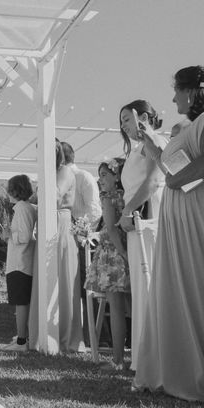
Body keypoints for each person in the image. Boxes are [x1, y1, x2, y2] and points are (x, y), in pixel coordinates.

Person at [133, 66, 204, 401]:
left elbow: (182, 175)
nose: (174, 97)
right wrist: (148, 138)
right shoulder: (188, 126)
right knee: (174, 288)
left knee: (195, 285)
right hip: (177, 217)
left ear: (192, 91)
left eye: (177, 89)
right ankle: (178, 367)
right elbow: (169, 169)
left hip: (195, 215)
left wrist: (179, 178)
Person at [117, 99, 167, 371]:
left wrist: (126, 211)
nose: (123, 126)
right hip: (136, 222)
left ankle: (154, 359)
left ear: (143, 116)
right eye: (122, 121)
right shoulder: (137, 148)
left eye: (127, 119)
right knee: (140, 289)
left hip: (147, 221)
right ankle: (142, 358)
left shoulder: (153, 141)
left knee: (149, 287)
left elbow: (152, 181)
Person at [30, 140, 83, 352]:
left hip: (59, 224)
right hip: (46, 223)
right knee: (44, 277)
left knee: (61, 278)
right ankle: (42, 332)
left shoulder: (64, 172)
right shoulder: (49, 173)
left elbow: (55, 196)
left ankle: (63, 335)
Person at [84, 158, 129, 370]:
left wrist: (122, 253)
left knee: (116, 309)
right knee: (126, 307)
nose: (100, 180)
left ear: (117, 176)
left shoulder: (108, 197)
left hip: (113, 257)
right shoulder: (124, 196)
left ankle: (118, 360)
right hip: (123, 252)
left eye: (104, 175)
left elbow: (111, 228)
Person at [61, 141, 102, 346]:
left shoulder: (83, 177)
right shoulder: (60, 178)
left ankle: (93, 337)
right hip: (67, 238)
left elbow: (94, 211)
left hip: (86, 243)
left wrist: (80, 232)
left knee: (88, 289)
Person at [0, 174, 37, 352]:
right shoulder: (27, 207)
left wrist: (8, 235)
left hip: (19, 264)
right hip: (23, 263)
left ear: (15, 190)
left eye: (9, 188)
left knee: (21, 303)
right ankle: (22, 337)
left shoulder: (22, 208)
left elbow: (24, 237)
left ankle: (21, 341)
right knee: (22, 303)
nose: (7, 192)